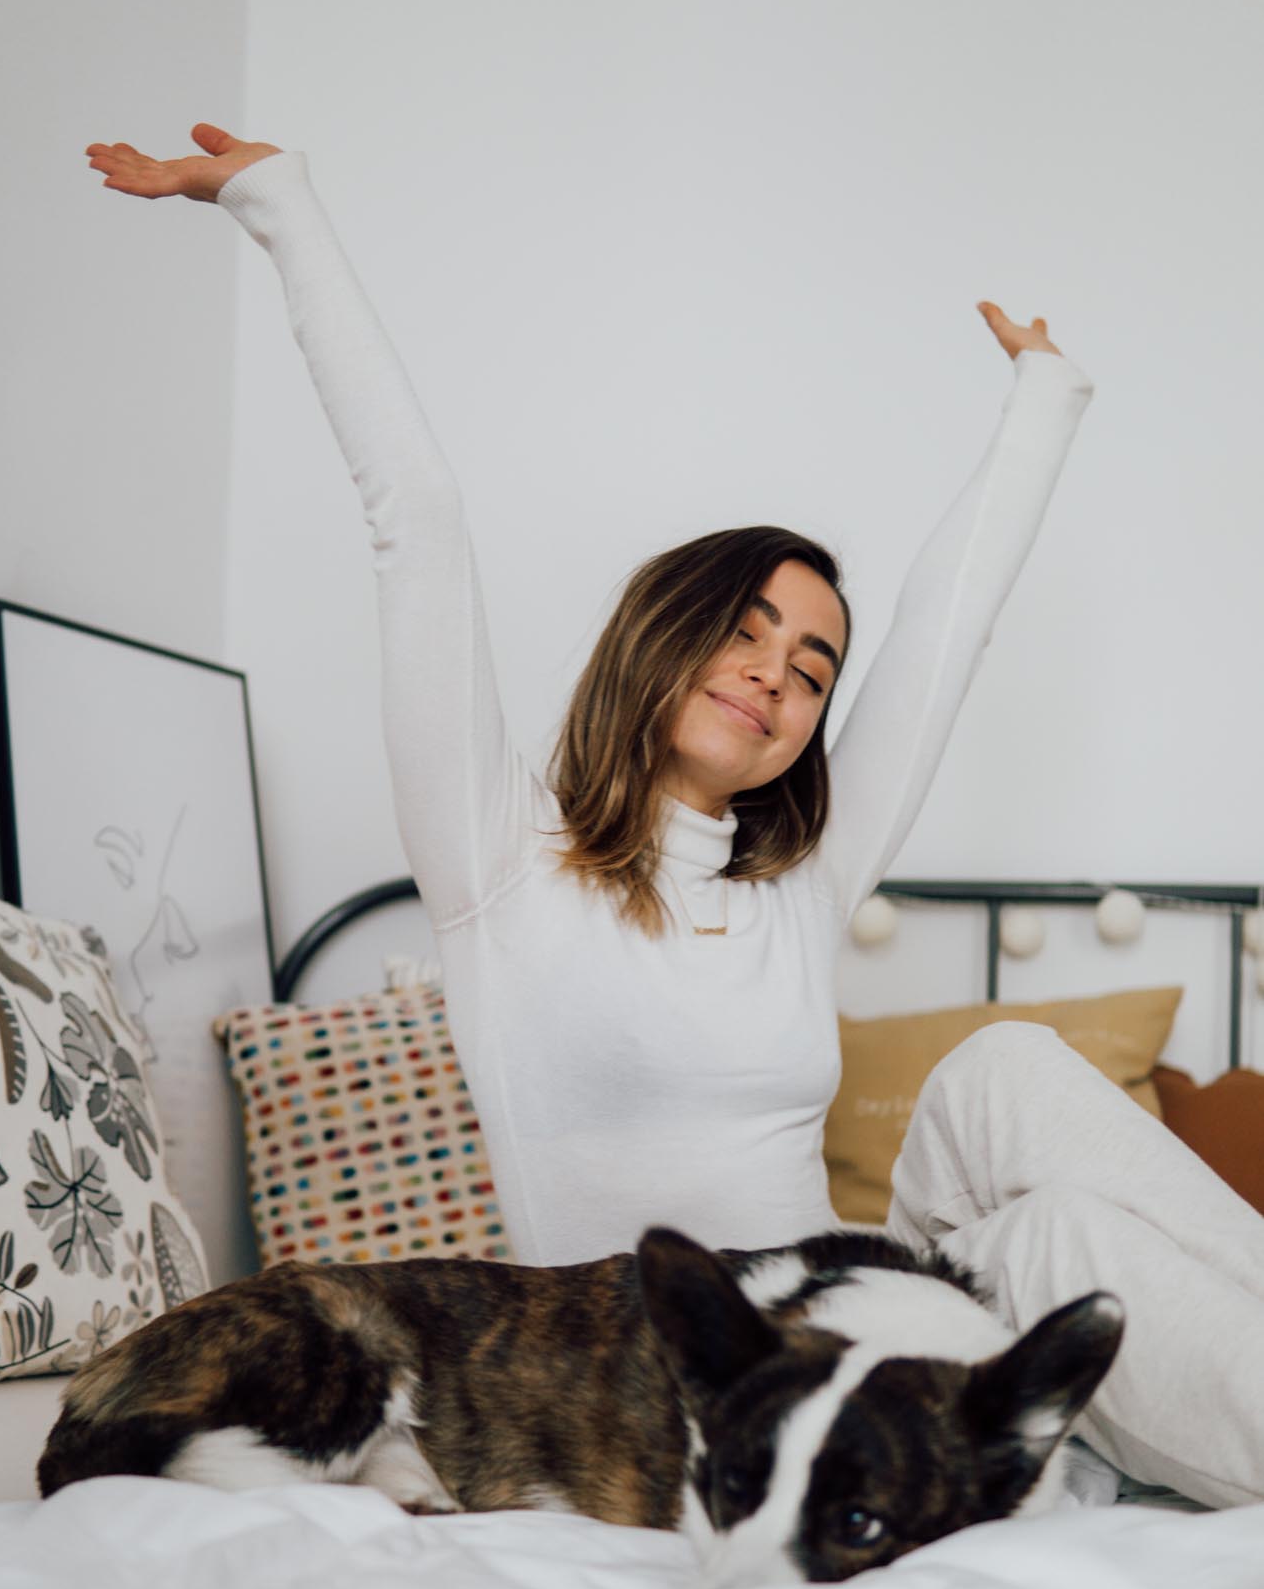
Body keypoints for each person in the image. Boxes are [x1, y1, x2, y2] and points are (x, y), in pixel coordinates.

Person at [84, 125, 1264, 1510]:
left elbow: (949, 638)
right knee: (1041, 1212)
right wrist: (277, 206)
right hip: (692, 1372)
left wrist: (1043, 400)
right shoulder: (494, 861)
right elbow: (420, 522)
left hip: (865, 1310)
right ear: (665, 631)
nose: (776, 674)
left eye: (812, 668)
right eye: (745, 630)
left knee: (1020, 1123)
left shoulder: (797, 887)